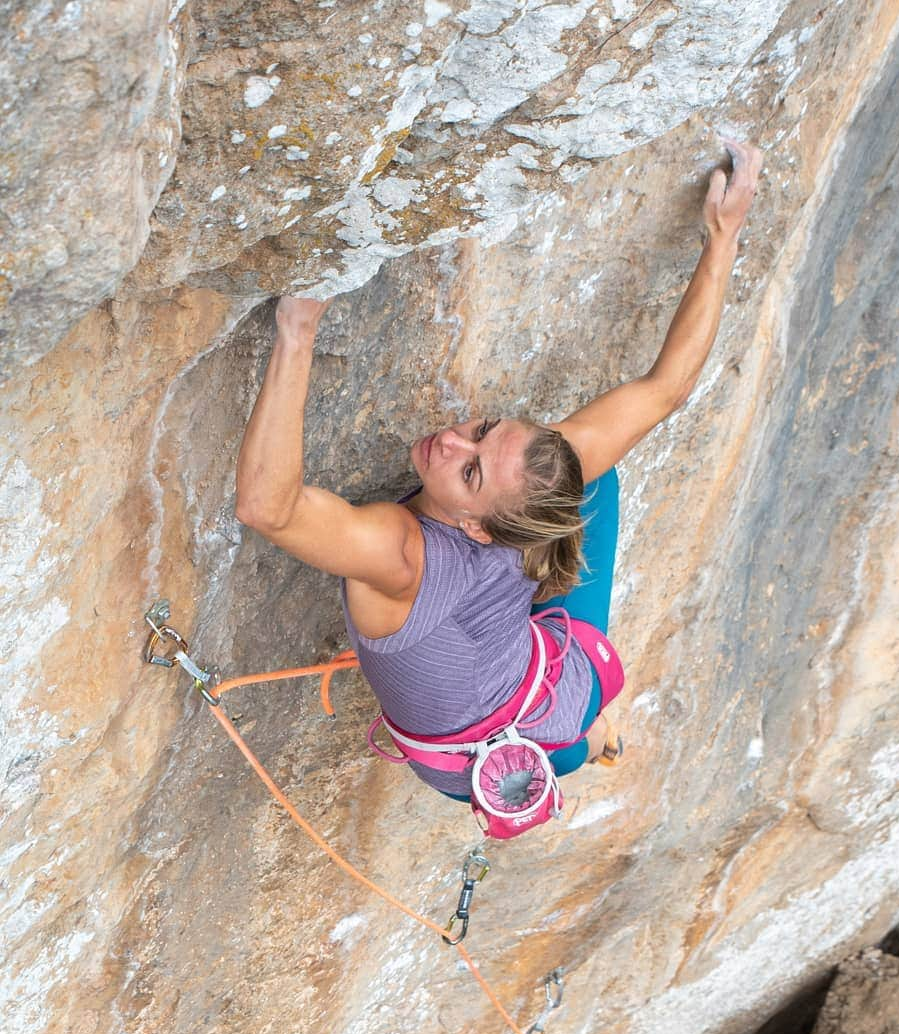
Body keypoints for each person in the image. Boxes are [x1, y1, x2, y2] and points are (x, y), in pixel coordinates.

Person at [236, 138, 762, 805]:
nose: (450, 444)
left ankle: (593, 739)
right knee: (589, 477)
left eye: (473, 473)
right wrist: (723, 236)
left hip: (496, 760)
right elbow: (664, 390)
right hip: (537, 695)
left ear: (486, 530)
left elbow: (268, 508)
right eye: (481, 431)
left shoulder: (402, 559)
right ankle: (595, 736)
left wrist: (298, 325)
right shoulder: (524, 498)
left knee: (576, 743)